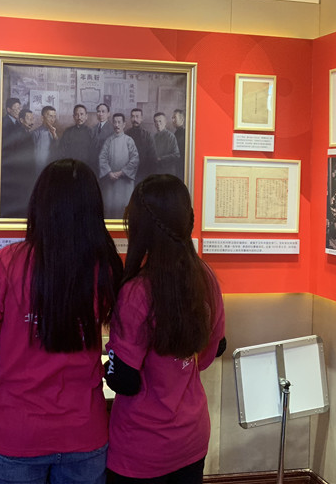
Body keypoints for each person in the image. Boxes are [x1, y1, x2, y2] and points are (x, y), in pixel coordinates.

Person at [0, 158, 123, 484]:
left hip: (15, 432)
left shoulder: (8, 263)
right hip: (84, 432)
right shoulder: (105, 268)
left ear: (39, 205)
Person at [105, 175, 226, 483]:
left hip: (141, 447)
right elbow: (212, 351)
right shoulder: (206, 278)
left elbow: (123, 380)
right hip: (192, 439)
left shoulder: (136, 293)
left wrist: (106, 364)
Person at [99, 113, 139, 219]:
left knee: (125, 209)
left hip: (125, 183)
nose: (117, 125)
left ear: (124, 124)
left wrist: (122, 172)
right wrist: (109, 172)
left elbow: (135, 159)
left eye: (119, 122)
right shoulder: (108, 141)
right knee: (110, 209)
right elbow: (102, 158)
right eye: (115, 122)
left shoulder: (129, 140)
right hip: (111, 182)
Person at [126, 108, 157, 183]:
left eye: (137, 116)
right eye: (133, 116)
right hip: (128, 172)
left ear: (141, 118)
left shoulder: (147, 135)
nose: (135, 119)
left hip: (143, 172)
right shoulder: (126, 134)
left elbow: (152, 157)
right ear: (130, 118)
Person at [32, 105, 58, 174]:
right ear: (42, 118)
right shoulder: (36, 133)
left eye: (54, 116)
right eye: (50, 116)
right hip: (39, 168)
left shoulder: (54, 132)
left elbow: (59, 148)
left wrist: (54, 135)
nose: (52, 119)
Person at [172, 109, 186, 180]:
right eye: (172, 118)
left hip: (181, 167)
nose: (173, 120)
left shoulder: (184, 134)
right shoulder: (176, 133)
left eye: (175, 117)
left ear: (182, 120)